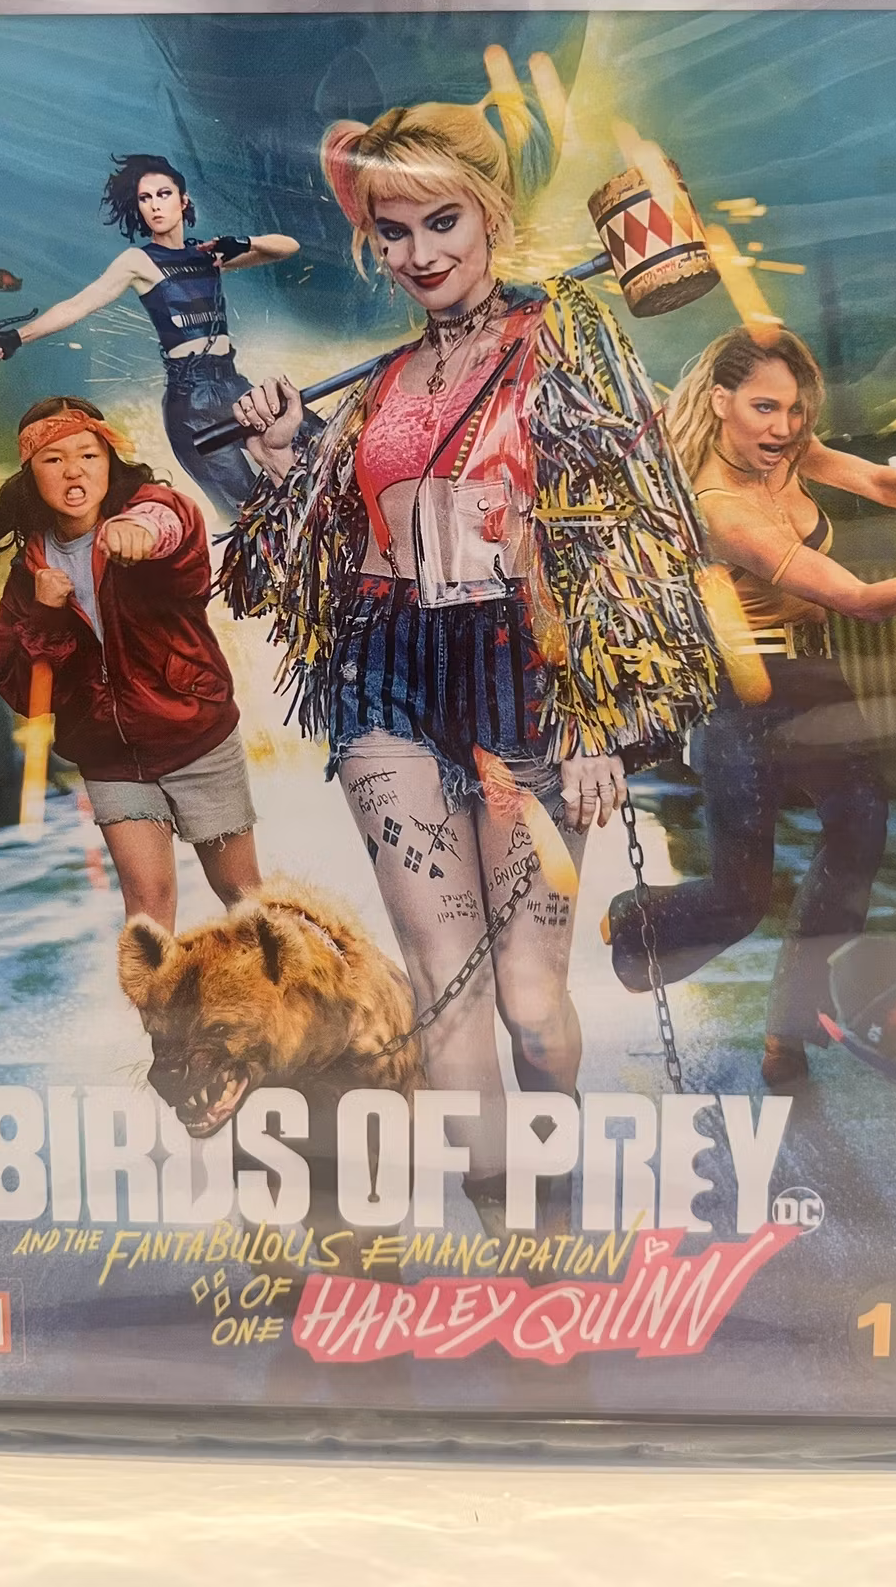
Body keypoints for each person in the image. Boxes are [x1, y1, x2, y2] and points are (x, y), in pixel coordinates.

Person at [222, 102, 717, 1227]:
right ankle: (515, 1239)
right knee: (445, 992)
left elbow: (626, 530)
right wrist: (285, 458)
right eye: (392, 232)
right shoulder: (381, 383)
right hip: (385, 679)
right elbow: (303, 561)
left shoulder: (568, 338)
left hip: (528, 677)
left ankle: (554, 1190)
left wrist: (596, 718)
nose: (419, 253)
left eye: (441, 221)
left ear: (491, 213)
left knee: (531, 1000)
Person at [649, 326, 896, 1088]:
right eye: (765, 408)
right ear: (721, 401)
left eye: (795, 409)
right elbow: (858, 600)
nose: (784, 427)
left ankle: (789, 1032)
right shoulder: (719, 506)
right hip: (745, 694)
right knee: (739, 897)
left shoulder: (787, 454)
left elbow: (877, 482)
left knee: (858, 836)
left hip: (818, 677)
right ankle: (636, 922)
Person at [0, 397, 260, 931]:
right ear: (31, 473)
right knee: (147, 913)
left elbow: (175, 523)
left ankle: (304, 986)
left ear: (109, 460)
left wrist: (143, 532)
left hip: (193, 733)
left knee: (243, 896)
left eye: (88, 454)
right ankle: (156, 996)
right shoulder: (29, 572)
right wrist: (45, 614)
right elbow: (22, 691)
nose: (74, 470)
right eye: (54, 459)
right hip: (108, 756)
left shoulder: (148, 513)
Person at [0, 154, 299, 519]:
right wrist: (17, 337)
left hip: (233, 386)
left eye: (163, 194)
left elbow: (287, 248)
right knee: (251, 512)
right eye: (145, 198)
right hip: (191, 402)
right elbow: (78, 305)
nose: (154, 205)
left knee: (316, 450)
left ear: (183, 201)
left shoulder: (207, 255)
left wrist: (243, 242)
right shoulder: (138, 261)